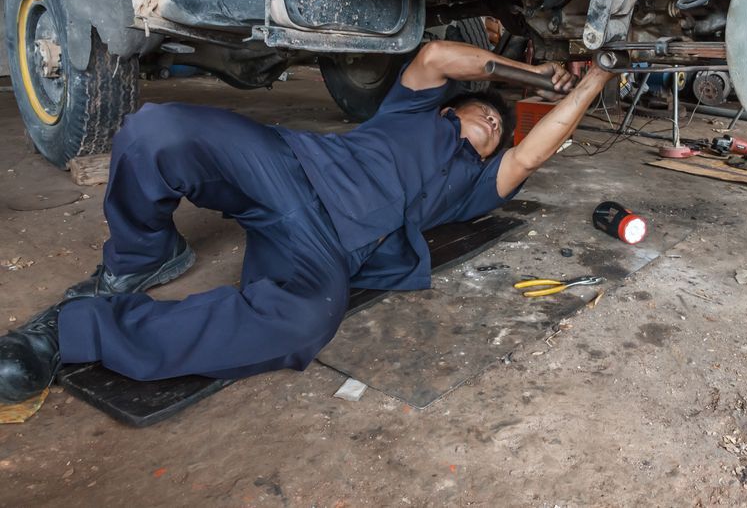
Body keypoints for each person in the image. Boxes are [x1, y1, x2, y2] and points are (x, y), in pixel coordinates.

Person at [0, 40, 613, 404]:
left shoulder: (479, 185)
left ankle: (74, 330)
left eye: (498, 130)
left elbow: (535, 150)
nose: (490, 126)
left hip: (328, 244)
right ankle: (141, 257)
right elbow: (436, 56)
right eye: (482, 114)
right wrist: (527, 75)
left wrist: (595, 79)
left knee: (300, 324)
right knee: (157, 130)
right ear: (453, 106)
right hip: (288, 166)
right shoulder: (412, 109)